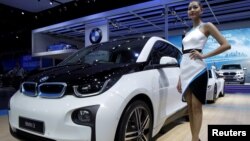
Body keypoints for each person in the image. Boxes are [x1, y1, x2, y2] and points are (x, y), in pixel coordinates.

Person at [176, 1, 231, 141]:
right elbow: (184, 56)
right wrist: (179, 78)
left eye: (195, 7)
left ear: (201, 10)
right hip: (185, 70)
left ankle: (195, 138)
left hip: (198, 69)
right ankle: (196, 138)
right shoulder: (186, 33)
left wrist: (204, 55)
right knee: (189, 107)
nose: (192, 10)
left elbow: (226, 45)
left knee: (196, 106)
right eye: (189, 8)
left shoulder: (207, 26)